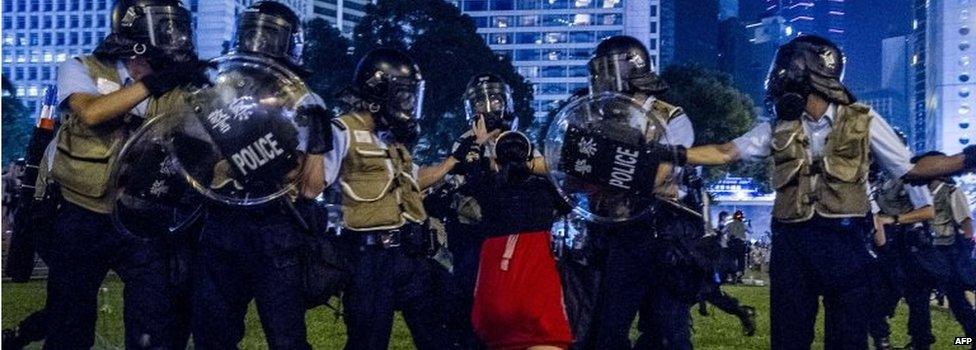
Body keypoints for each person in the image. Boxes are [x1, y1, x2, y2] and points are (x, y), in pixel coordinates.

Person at [660, 35, 934, 349]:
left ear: (812, 72)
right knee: (789, 337)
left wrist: (963, 161)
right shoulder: (777, 126)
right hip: (793, 242)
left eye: (788, 68)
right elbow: (726, 152)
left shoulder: (863, 120)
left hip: (844, 241)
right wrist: (672, 153)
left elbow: (909, 168)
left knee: (848, 339)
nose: (780, 76)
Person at [43, 0, 205, 347]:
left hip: (143, 219)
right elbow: (91, 113)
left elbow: (206, 143)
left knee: (153, 319)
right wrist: (153, 84)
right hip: (82, 213)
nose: (175, 34)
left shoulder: (178, 89)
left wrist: (209, 94)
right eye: (166, 25)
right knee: (68, 321)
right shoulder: (81, 67)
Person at [189, 2, 332, 348]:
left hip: (275, 226)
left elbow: (311, 188)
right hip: (227, 222)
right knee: (214, 335)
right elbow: (195, 165)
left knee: (285, 338)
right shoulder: (216, 92)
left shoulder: (305, 101)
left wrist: (316, 141)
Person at [323, 47, 459, 350]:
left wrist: (452, 162)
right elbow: (314, 185)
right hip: (369, 257)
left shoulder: (392, 139)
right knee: (369, 341)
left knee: (441, 331)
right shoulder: (341, 131)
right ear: (378, 92)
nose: (410, 104)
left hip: (411, 253)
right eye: (404, 95)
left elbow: (414, 180)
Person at [584, 35, 704, 350]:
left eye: (606, 70)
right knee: (607, 330)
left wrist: (606, 166)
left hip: (664, 235)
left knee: (667, 332)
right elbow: (571, 174)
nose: (600, 79)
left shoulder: (672, 117)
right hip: (616, 234)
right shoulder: (591, 116)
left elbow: (661, 176)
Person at [442, 72, 543, 349]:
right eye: (480, 102)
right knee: (467, 299)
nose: (488, 107)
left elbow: (542, 169)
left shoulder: (519, 140)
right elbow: (455, 177)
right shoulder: (464, 142)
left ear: (506, 102)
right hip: (471, 231)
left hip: (508, 232)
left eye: (495, 99)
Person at [462, 130, 573, 350]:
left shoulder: (489, 188)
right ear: (530, 159)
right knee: (544, 338)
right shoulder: (544, 188)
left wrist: (478, 143)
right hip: (535, 266)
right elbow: (568, 203)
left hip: (495, 276)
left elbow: (470, 167)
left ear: (496, 161)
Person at [867, 163, 936, 350]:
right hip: (888, 245)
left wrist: (894, 219)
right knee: (877, 295)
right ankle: (882, 339)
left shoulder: (910, 177)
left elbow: (929, 211)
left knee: (918, 299)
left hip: (911, 245)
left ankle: (922, 342)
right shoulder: (880, 178)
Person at [918, 152, 976, 344]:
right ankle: (921, 340)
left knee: (958, 302)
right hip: (926, 254)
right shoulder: (920, 193)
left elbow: (966, 225)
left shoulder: (952, 192)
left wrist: (963, 253)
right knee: (918, 299)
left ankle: (968, 339)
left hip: (948, 255)